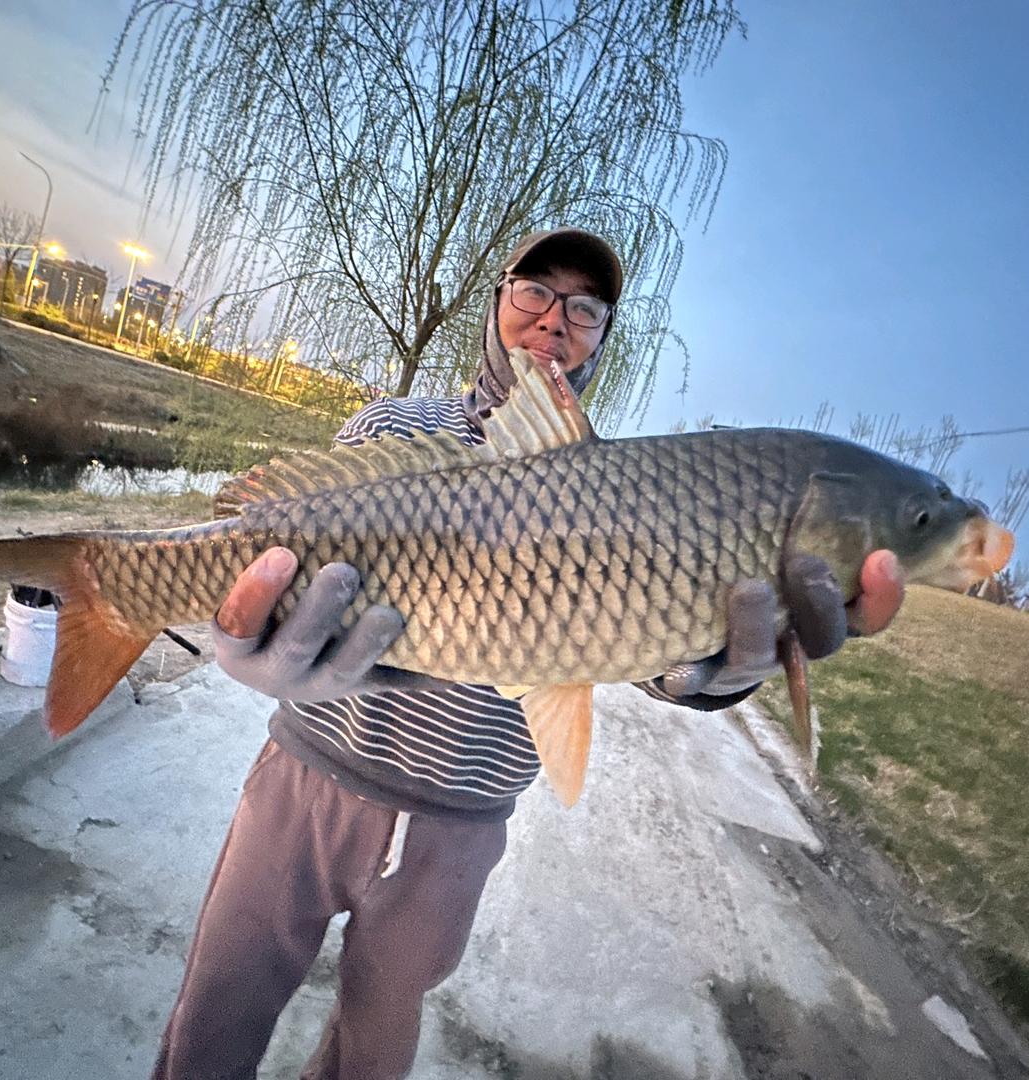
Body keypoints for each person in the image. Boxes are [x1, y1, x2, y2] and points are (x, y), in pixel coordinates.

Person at [152, 228, 905, 1079]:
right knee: (217, 1011)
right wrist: (241, 635)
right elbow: (285, 552)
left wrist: (707, 678)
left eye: (585, 308)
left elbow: (646, 641)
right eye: (535, 292)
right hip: (310, 780)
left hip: (459, 831)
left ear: (601, 337)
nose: (555, 320)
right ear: (497, 304)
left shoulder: (635, 488)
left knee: (374, 1045)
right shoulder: (399, 427)